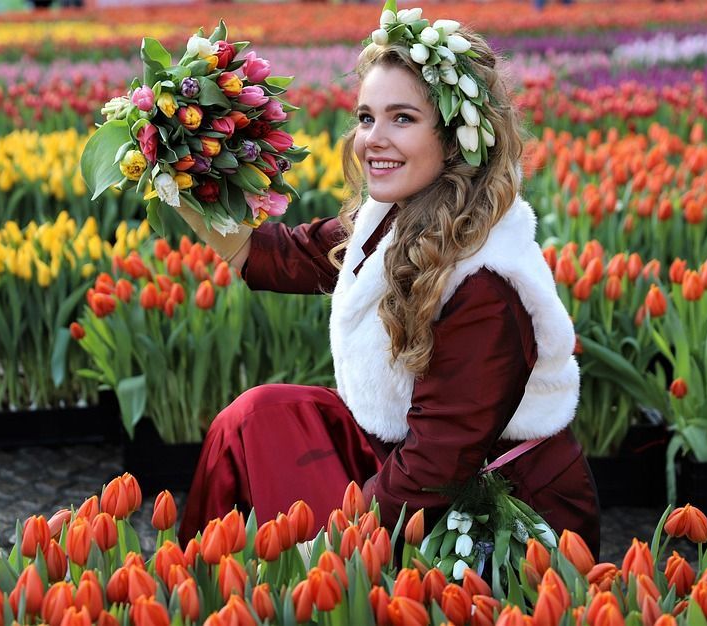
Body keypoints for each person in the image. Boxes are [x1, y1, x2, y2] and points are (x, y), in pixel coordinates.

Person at [176, 9, 600, 556]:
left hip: (499, 517)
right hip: (412, 463)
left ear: (455, 138)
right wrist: (184, 175)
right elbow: (284, 256)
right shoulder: (401, 215)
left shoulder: (486, 286)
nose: (372, 139)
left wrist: (327, 553)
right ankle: (197, 581)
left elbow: (433, 469)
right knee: (255, 419)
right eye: (366, 117)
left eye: (401, 118)